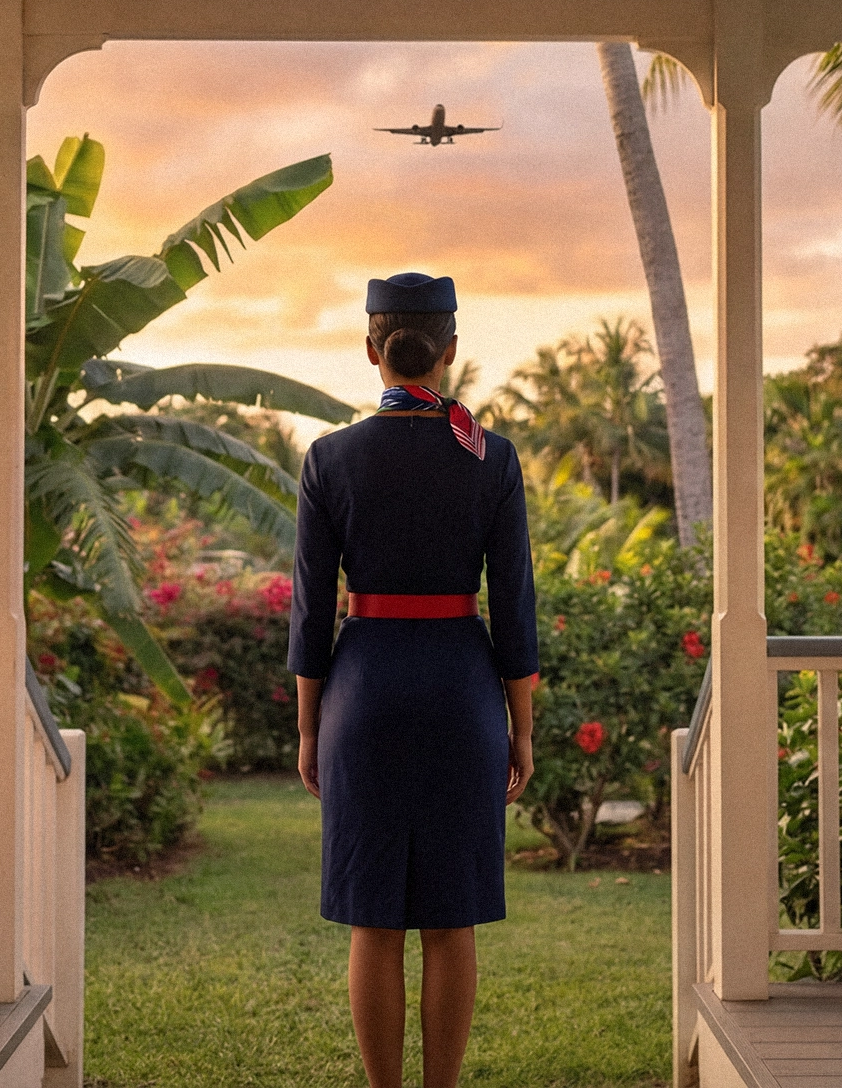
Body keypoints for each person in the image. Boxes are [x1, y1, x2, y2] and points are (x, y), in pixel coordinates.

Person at [289, 272, 539, 1088]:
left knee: (373, 920)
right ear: (449, 350)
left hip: (360, 693)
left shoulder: (328, 458)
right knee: (449, 919)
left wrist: (308, 727)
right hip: (461, 691)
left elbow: (309, 613)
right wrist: (521, 728)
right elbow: (514, 606)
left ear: (372, 351)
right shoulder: (491, 457)